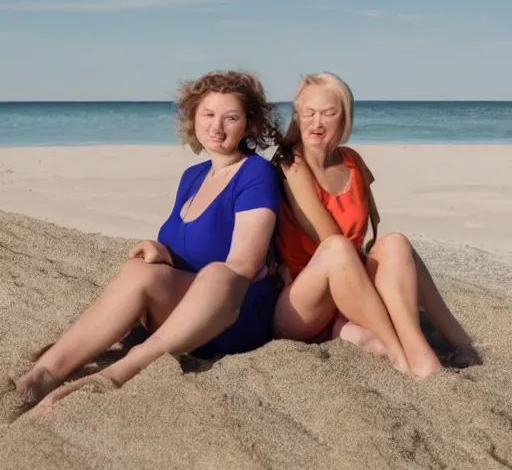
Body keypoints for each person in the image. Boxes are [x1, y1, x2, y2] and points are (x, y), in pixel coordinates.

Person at [16, 70, 282, 408]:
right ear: (194, 118)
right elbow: (191, 246)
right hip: (179, 315)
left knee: (219, 273)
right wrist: (163, 252)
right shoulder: (193, 176)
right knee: (139, 269)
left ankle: (121, 371)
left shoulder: (254, 174)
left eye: (231, 117)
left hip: (231, 317)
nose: (217, 127)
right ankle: (46, 372)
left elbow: (242, 266)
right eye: (208, 114)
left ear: (249, 125)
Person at [272, 72, 480, 378]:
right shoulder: (291, 164)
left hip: (351, 293)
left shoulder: (352, 162)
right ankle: (403, 352)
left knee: (395, 243)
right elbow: (329, 237)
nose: (317, 123)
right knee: (337, 248)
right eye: (309, 113)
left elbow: (371, 233)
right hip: (304, 302)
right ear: (297, 116)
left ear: (345, 118)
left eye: (329, 113)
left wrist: (390, 273)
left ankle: (450, 343)